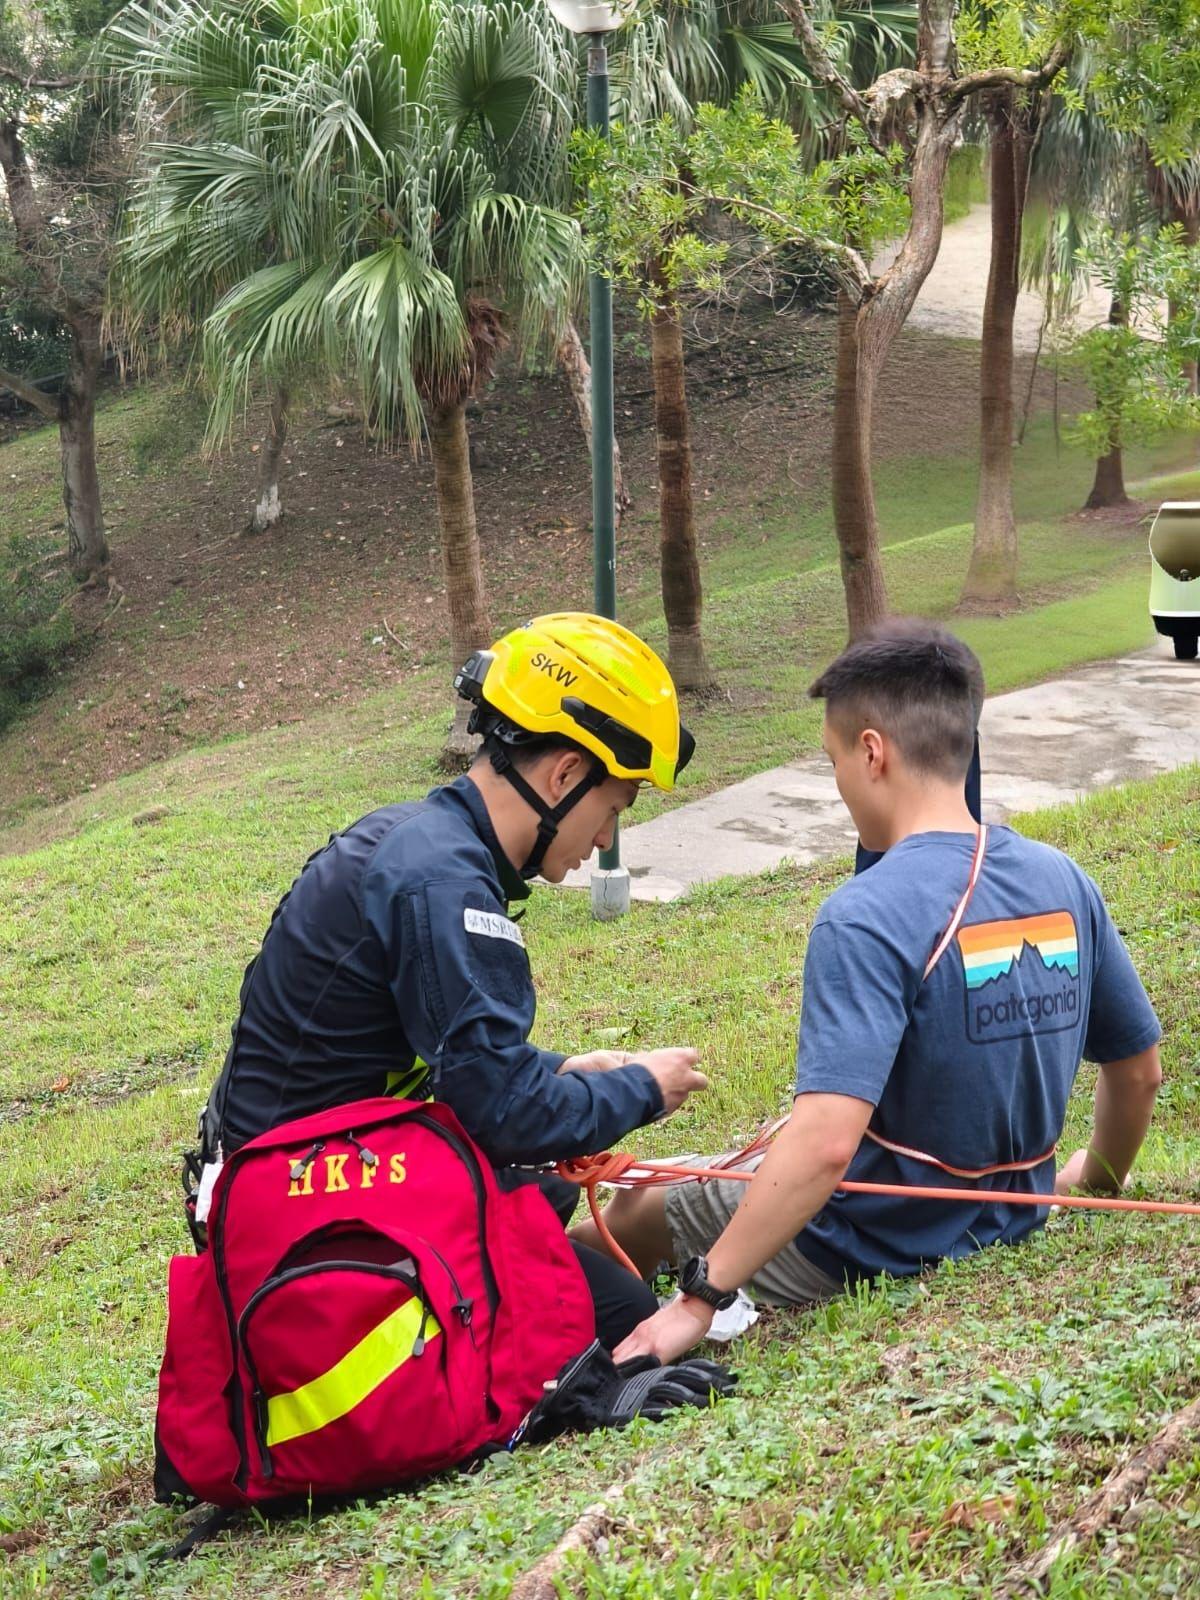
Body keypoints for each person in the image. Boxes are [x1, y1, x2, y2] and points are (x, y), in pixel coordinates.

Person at [581, 620, 1163, 1363]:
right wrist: (1097, 1180)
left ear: (871, 752)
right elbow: (1139, 1072)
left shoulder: (863, 914)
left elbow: (825, 1146)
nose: (838, 783)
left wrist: (698, 1301)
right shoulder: (1064, 880)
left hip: (865, 1243)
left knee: (630, 1208)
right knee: (724, 1165)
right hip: (1015, 1220)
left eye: (833, 760)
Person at [194, 611, 709, 1349]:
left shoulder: (427, 844)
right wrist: (642, 1089)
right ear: (564, 773)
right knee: (621, 1317)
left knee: (548, 1193)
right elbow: (501, 1112)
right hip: (298, 1225)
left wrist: (562, 1068)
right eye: (612, 809)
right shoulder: (444, 884)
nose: (603, 839)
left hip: (302, 1182)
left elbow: (453, 1057)